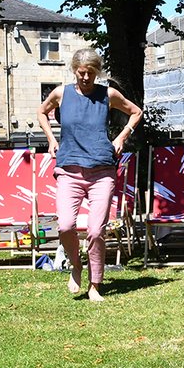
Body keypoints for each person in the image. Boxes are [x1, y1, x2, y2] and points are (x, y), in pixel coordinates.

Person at [37, 49, 143, 302]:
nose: (85, 78)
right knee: (64, 225)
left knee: (96, 231)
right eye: (81, 73)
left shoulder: (108, 94)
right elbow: (42, 112)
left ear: (98, 73)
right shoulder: (62, 93)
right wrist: (51, 139)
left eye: (91, 73)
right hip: (69, 170)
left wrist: (121, 136)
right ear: (74, 70)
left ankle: (95, 285)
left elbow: (136, 112)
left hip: (102, 171)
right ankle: (76, 266)